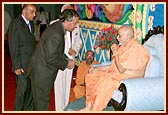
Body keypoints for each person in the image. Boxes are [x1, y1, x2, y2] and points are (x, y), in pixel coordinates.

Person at [79, 25, 150, 111]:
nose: (117, 38)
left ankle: (95, 109)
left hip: (128, 77)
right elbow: (113, 66)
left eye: (119, 36)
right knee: (92, 75)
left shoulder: (136, 48)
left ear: (128, 36)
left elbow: (121, 69)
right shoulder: (123, 47)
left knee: (105, 81)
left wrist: (115, 52)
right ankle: (88, 106)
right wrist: (98, 69)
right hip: (117, 74)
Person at [26, 9, 80, 111]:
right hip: (41, 73)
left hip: (40, 70)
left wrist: (66, 58)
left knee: (37, 103)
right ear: (67, 22)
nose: (76, 26)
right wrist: (67, 62)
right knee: (42, 105)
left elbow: (56, 51)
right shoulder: (56, 33)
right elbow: (51, 58)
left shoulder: (57, 28)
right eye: (74, 23)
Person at [51, 4, 82, 111]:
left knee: (68, 84)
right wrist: (67, 49)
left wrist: (75, 50)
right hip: (60, 59)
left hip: (71, 59)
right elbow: (55, 43)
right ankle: (59, 109)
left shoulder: (76, 25)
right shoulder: (54, 24)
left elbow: (78, 41)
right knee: (59, 84)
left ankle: (65, 107)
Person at [8, 4, 37, 111]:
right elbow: (13, 46)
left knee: (30, 92)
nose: (34, 15)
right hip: (22, 65)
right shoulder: (16, 24)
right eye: (32, 12)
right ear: (24, 11)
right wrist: (16, 66)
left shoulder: (31, 24)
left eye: (35, 12)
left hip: (31, 64)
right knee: (22, 93)